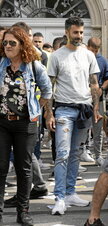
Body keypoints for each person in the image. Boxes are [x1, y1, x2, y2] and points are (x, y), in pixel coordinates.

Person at [45, 16, 102, 215]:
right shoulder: (56, 56)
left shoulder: (88, 55)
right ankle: (59, 197)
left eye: (81, 32)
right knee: (62, 154)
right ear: (67, 32)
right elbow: (48, 87)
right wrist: (48, 114)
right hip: (64, 110)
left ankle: (70, 193)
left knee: (76, 154)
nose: (79, 36)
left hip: (84, 109)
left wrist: (95, 108)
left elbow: (94, 83)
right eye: (75, 32)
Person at [0, 26, 52, 225]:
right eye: (5, 42)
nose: (8, 46)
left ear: (22, 44)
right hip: (2, 122)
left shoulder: (33, 66)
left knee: (24, 168)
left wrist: (36, 110)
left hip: (26, 124)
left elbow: (47, 90)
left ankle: (23, 212)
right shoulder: (1, 64)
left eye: (13, 43)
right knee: (1, 167)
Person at [87, 37, 108, 166]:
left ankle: (98, 155)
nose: (94, 53)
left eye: (96, 51)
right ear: (87, 47)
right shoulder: (82, 57)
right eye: (92, 50)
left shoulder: (102, 60)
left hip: (99, 98)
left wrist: (102, 88)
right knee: (83, 127)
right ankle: (83, 151)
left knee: (98, 128)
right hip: (84, 98)